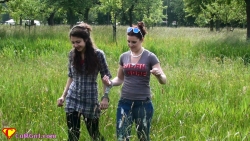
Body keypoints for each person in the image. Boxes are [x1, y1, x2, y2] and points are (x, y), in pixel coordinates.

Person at [103, 21, 167, 141]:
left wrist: (158, 76)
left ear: (141, 40)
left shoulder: (150, 56)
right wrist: (110, 82)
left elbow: (164, 80)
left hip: (143, 103)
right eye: (128, 41)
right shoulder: (124, 56)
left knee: (143, 137)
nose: (130, 44)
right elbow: (120, 78)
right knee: (122, 136)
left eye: (134, 42)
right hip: (124, 102)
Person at [57, 23, 111, 141]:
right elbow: (71, 77)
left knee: (94, 135)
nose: (75, 45)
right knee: (73, 135)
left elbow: (106, 76)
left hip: (90, 99)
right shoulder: (72, 55)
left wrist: (105, 97)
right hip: (73, 98)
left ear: (86, 39)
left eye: (78, 42)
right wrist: (63, 96)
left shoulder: (98, 55)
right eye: (73, 42)